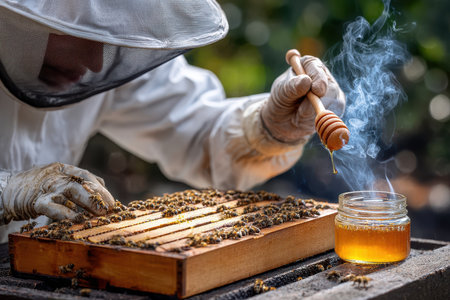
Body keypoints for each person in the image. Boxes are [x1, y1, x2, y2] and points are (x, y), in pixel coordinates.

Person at [0, 0, 345, 242]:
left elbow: (193, 130)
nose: (95, 61)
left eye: (108, 32)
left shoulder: (97, 56)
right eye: (69, 29)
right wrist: (6, 191)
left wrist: (267, 126)